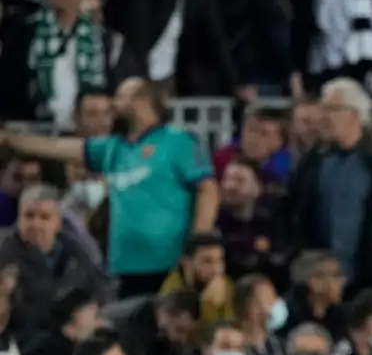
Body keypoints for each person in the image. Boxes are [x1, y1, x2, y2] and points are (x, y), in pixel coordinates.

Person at [0, 78, 220, 298]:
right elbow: (56, 147)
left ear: (142, 101)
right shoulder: (112, 147)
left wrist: (198, 245)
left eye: (121, 97)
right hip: (123, 267)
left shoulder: (179, 141)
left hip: (170, 266)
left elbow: (207, 189)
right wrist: (12, 139)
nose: (114, 105)